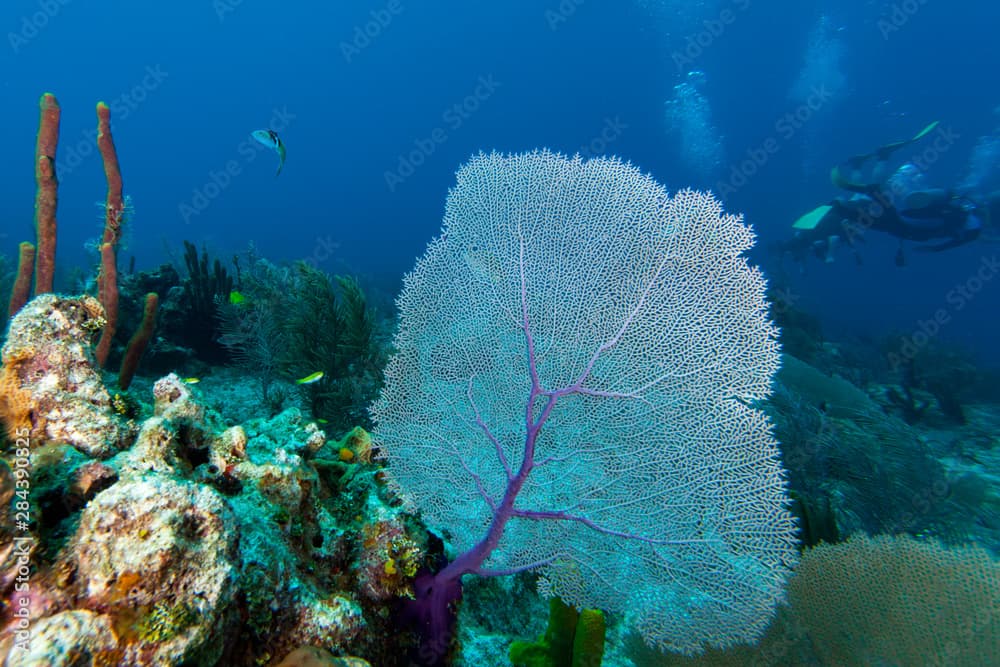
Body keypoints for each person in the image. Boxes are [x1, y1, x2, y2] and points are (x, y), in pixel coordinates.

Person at [780, 122, 986, 266]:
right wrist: (935, 249)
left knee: (879, 210)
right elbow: (953, 240)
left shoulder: (970, 215)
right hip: (914, 227)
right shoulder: (973, 224)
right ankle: (867, 178)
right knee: (880, 212)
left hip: (914, 221)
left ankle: (879, 165)